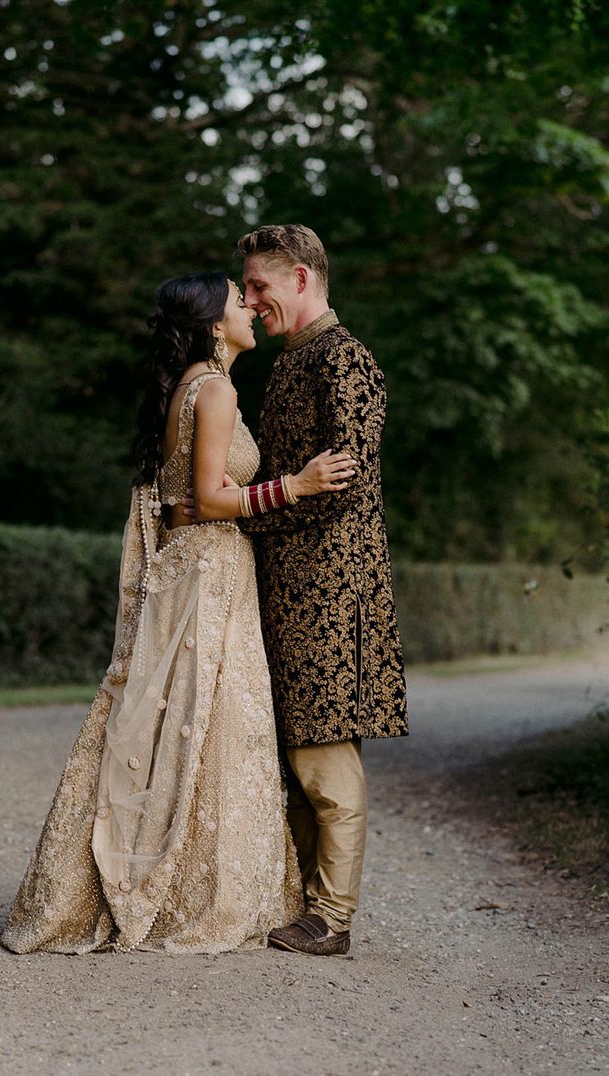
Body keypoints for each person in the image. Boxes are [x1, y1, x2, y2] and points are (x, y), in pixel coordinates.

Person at [0, 270, 355, 955]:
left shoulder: (191, 385)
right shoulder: (214, 388)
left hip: (195, 570)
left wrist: (216, 496)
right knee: (207, 724)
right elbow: (210, 498)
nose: (251, 307)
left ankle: (148, 874)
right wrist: (299, 484)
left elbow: (188, 496)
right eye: (238, 300)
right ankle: (190, 892)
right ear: (214, 326)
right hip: (210, 571)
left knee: (175, 725)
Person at [235, 224, 408, 957]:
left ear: (301, 278)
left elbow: (344, 486)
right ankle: (301, 902)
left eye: (258, 287)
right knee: (289, 751)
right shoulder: (292, 361)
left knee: (322, 753)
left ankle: (331, 918)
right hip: (287, 583)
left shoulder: (346, 360)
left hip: (331, 591)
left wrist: (251, 514)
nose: (250, 301)